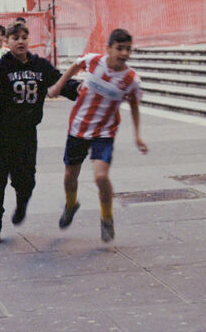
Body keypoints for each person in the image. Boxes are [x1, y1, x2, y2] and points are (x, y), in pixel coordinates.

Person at [47, 28, 148, 244]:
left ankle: (106, 217)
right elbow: (75, 66)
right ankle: (71, 204)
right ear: (109, 48)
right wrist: (58, 85)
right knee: (70, 176)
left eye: (128, 50)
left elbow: (134, 105)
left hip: (105, 132)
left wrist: (138, 135)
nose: (123, 54)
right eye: (119, 48)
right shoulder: (94, 61)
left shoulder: (131, 79)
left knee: (101, 176)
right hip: (78, 128)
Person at [0, 18, 63, 245]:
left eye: (24, 37)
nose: (20, 42)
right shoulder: (1, 67)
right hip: (0, 136)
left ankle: (22, 203)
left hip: (26, 135)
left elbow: (60, 82)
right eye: (15, 38)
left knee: (26, 180)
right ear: (7, 41)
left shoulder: (39, 66)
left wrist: (77, 88)